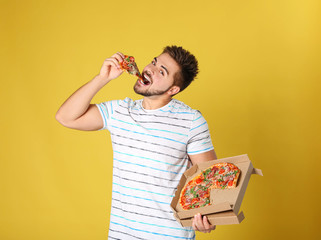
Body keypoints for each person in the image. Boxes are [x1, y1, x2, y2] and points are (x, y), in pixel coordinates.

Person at [56, 46, 217, 239]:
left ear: (173, 89)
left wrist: (208, 218)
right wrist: (103, 78)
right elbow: (66, 117)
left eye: (161, 71)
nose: (150, 68)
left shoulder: (191, 121)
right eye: (154, 62)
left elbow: (209, 181)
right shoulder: (120, 111)